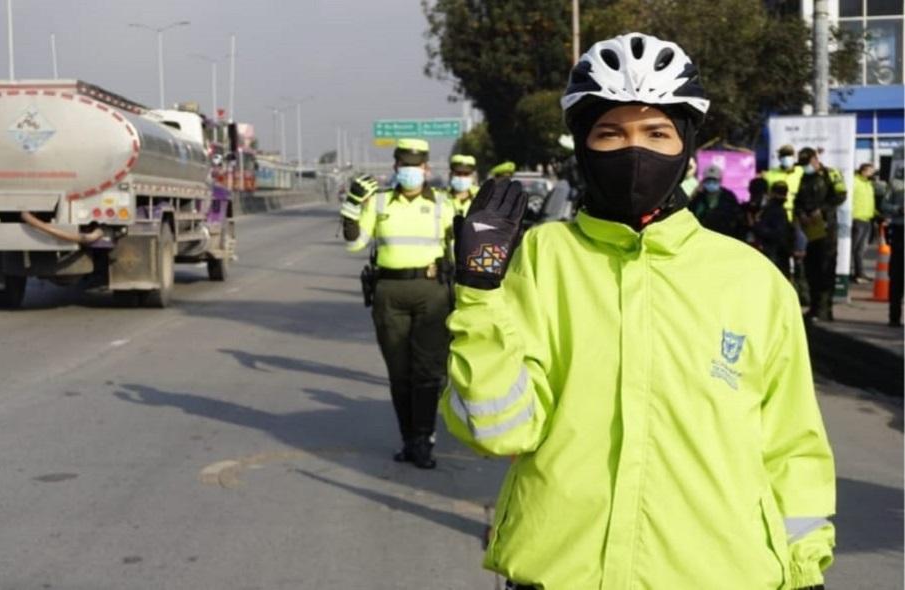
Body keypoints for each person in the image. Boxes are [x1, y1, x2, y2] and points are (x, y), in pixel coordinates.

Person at [440, 33, 834, 590]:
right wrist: (479, 292)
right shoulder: (541, 260)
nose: (635, 151)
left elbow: (792, 445)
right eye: (610, 133)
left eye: (656, 133)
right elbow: (495, 429)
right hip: (561, 574)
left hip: (722, 576)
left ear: (687, 144)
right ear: (582, 144)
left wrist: (803, 568)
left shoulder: (753, 281)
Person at [341, 138, 454, 469]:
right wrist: (351, 205)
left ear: (426, 169)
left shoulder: (442, 204)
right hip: (389, 293)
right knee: (399, 373)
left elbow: (460, 248)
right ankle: (409, 440)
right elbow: (355, 243)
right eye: (404, 166)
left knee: (427, 372)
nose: (410, 172)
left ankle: (424, 440)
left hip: (432, 291)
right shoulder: (377, 203)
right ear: (395, 169)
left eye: (415, 167)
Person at [795, 147, 847, 321]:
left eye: (807, 163)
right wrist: (801, 213)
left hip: (826, 227)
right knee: (811, 269)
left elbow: (841, 195)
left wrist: (822, 210)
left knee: (826, 268)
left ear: (815, 159)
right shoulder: (804, 177)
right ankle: (814, 307)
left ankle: (826, 309)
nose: (805, 167)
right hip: (809, 229)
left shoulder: (830, 174)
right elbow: (798, 201)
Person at [688, 164, 747, 239]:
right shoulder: (698, 197)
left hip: (724, 236)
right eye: (708, 180)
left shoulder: (728, 197)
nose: (711, 183)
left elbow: (736, 218)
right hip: (703, 237)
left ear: (720, 180)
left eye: (714, 180)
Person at [755, 180, 795, 276]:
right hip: (774, 253)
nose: (781, 196)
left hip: (777, 253)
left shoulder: (773, 210)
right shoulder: (772, 210)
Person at [882, 171, 904, 326]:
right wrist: (899, 209)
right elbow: (884, 205)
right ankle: (894, 317)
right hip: (900, 232)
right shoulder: (896, 183)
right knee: (897, 277)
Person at [851, 163, 877, 282]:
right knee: (853, 248)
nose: (872, 174)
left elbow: (869, 202)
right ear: (863, 171)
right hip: (857, 219)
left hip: (867, 219)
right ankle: (849, 273)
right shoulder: (854, 182)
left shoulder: (868, 184)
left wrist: (877, 215)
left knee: (861, 249)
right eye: (870, 171)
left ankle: (860, 273)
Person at [764, 144, 805, 220]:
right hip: (777, 215)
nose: (787, 159)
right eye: (784, 156)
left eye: (789, 155)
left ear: (794, 157)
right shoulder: (770, 174)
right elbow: (767, 195)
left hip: (798, 215)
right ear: (779, 158)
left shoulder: (801, 172)